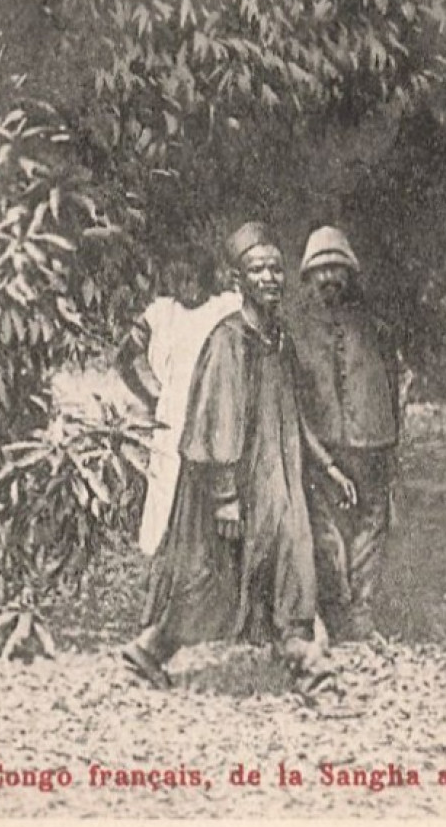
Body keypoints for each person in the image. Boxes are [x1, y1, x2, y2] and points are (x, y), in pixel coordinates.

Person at [121, 223, 357, 696]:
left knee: (292, 556)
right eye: (257, 269)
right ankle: (149, 651)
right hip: (233, 484)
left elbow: (294, 413)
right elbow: (218, 422)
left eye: (275, 268)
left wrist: (326, 464)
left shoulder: (279, 339)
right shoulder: (229, 341)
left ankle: (307, 661)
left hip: (277, 480)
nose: (269, 277)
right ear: (238, 280)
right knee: (209, 577)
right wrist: (226, 498)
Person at [288, 226, 401, 642]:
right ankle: (335, 611)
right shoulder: (294, 332)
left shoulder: (375, 329)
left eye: (337, 268)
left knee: (372, 524)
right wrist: (319, 455)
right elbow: (293, 401)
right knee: (327, 531)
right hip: (323, 447)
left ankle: (363, 613)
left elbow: (391, 385)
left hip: (372, 443)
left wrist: (391, 443)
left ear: (350, 274)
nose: (329, 277)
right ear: (308, 277)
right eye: (320, 269)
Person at [116, 248, 241, 555]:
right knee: (166, 479)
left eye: (194, 280)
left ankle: (207, 552)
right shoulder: (161, 312)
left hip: (214, 407)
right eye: (180, 280)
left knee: (212, 475)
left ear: (207, 279)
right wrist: (152, 393)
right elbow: (125, 357)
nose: (187, 288)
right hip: (172, 411)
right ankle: (158, 551)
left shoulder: (224, 307)